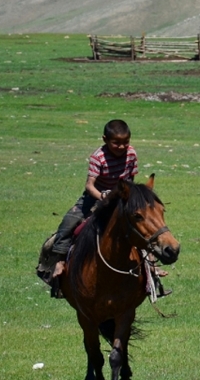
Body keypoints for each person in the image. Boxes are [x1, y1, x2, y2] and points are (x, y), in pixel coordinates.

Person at [48, 119, 138, 290]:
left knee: (143, 226)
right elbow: (90, 186)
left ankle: (151, 271)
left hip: (121, 198)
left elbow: (130, 180)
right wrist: (103, 198)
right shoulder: (98, 157)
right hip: (96, 197)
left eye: (125, 142)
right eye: (116, 143)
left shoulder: (131, 154)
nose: (121, 147)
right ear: (105, 139)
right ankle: (59, 260)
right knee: (69, 223)